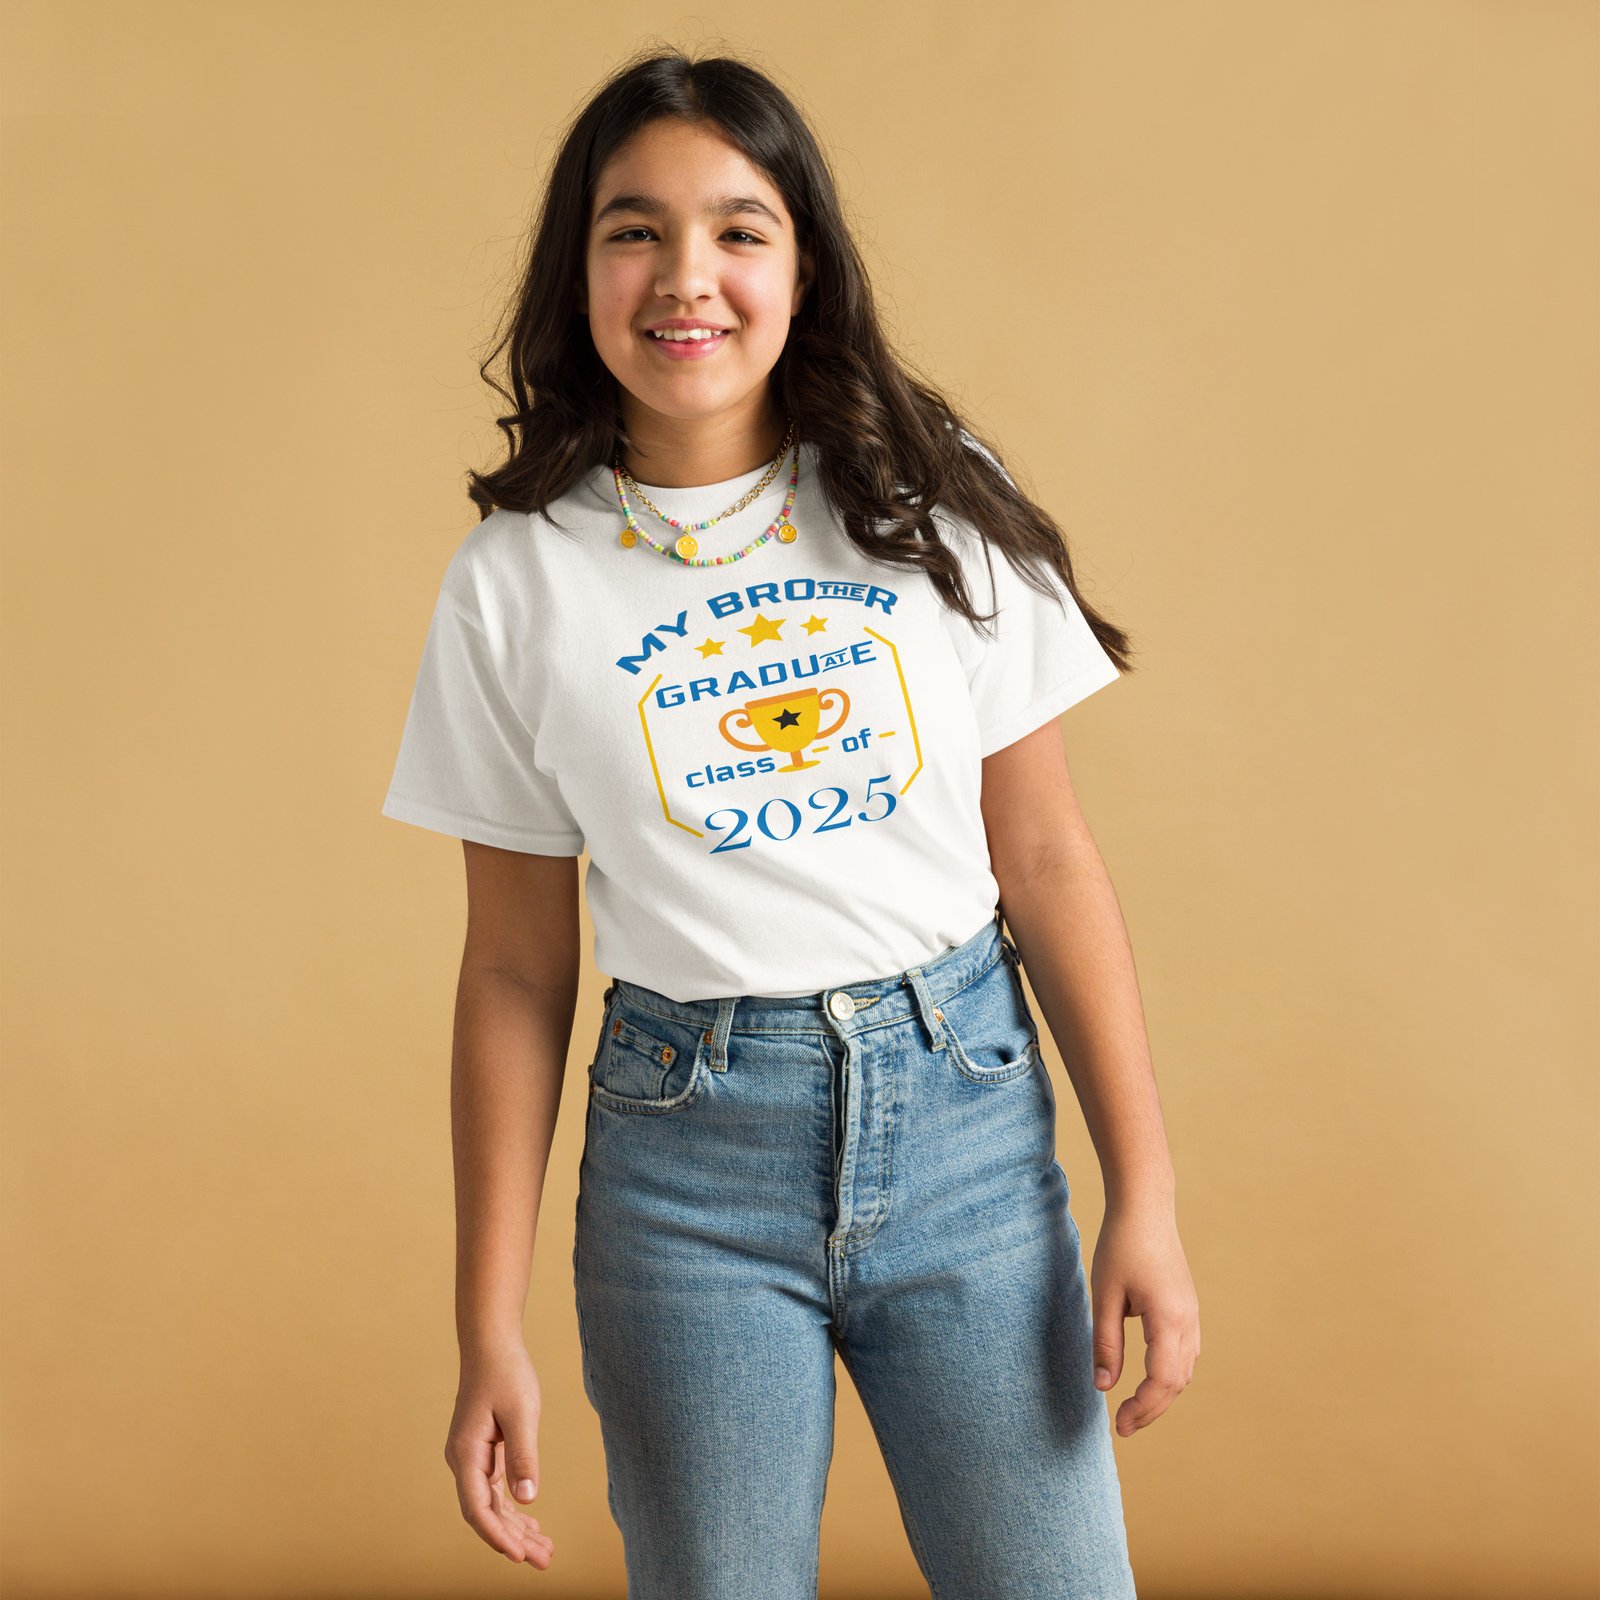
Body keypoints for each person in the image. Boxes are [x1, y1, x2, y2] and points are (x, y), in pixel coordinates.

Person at [380, 47, 1198, 1600]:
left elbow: (1046, 861)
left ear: (804, 266)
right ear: (578, 270)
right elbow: (512, 973)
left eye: (739, 230)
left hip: (966, 1121)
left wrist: (1142, 1191)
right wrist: (487, 1321)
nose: (687, 275)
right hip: (687, 1171)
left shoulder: (930, 501)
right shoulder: (512, 583)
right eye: (635, 230)